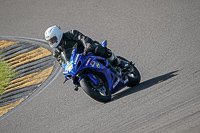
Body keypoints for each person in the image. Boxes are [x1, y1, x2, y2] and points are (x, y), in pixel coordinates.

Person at [44, 25, 127, 69]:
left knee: (98, 49)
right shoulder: (57, 52)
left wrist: (87, 45)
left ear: (57, 35)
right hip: (78, 61)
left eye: (53, 39)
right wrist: (66, 69)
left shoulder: (71, 34)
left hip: (88, 50)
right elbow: (62, 63)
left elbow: (82, 38)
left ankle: (118, 62)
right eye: (50, 41)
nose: (52, 42)